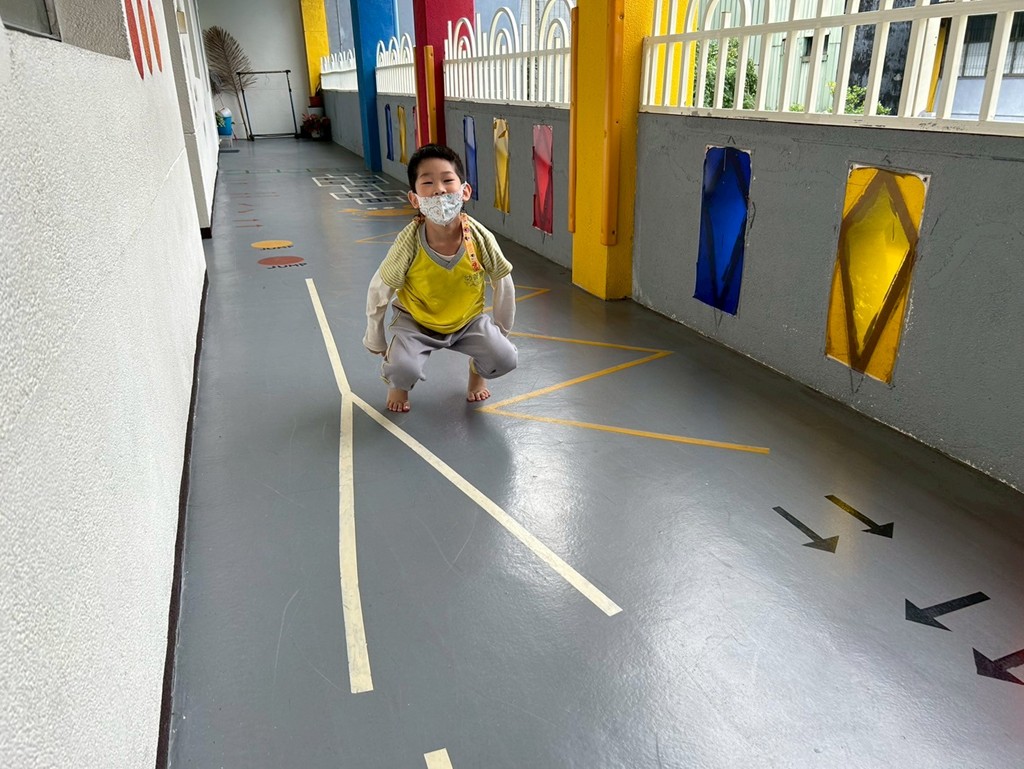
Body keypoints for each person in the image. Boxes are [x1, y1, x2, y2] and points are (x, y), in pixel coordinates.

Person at [363, 144, 518, 413]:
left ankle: (476, 370)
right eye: (427, 183)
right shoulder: (408, 242)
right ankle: (399, 384)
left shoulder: (480, 238)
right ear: (414, 199)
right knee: (402, 368)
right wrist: (374, 336)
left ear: (465, 191)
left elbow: (504, 283)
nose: (439, 190)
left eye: (447, 180)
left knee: (505, 358)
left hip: (467, 321)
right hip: (416, 321)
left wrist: (500, 333)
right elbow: (380, 288)